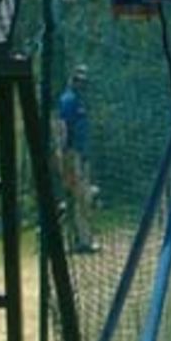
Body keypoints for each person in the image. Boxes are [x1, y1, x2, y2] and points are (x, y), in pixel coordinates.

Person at [55, 65, 98, 253]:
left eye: (84, 80)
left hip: (81, 155)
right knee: (79, 197)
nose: (82, 84)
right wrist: (65, 155)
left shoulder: (79, 100)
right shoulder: (68, 99)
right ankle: (78, 241)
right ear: (72, 80)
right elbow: (62, 128)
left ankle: (80, 239)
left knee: (81, 198)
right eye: (79, 80)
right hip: (72, 155)